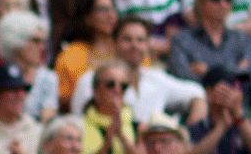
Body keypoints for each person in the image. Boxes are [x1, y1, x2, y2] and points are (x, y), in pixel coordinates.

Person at [70, 16, 206, 122]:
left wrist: (192, 128)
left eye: (140, 40)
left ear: (148, 45)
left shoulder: (156, 78)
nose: (134, 45)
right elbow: (79, 121)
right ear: (114, 43)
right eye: (127, 39)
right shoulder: (90, 79)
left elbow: (197, 92)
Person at [168, 0, 251, 88]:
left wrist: (208, 72)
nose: (223, 4)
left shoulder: (242, 38)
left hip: (237, 102)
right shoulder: (182, 39)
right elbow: (181, 77)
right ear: (200, 3)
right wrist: (236, 71)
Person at [81, 63, 146, 154]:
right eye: (110, 85)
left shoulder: (136, 125)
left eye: (123, 86)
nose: (117, 90)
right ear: (96, 91)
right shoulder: (78, 127)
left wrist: (121, 135)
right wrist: (107, 142)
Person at [54, 0, 119, 110]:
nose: (111, 15)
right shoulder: (70, 55)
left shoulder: (125, 48)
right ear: (87, 17)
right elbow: (63, 100)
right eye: (103, 9)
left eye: (113, 8)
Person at [0, 11, 58, 121]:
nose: (42, 47)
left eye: (43, 42)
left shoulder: (48, 78)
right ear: (16, 41)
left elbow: (47, 121)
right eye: (36, 41)